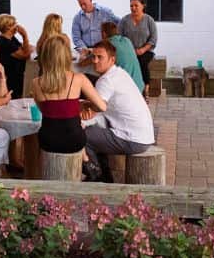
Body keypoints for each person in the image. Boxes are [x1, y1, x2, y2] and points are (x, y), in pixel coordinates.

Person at [27, 36, 110, 162]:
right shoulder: (79, 78)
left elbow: (47, 111)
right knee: (82, 128)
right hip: (74, 140)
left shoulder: (36, 83)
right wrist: (86, 105)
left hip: (48, 140)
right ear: (66, 56)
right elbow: (102, 107)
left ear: (45, 57)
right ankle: (86, 161)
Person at [82, 41, 155, 181]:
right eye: (93, 57)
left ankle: (96, 176)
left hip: (132, 139)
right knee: (96, 131)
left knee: (81, 136)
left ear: (112, 59)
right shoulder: (119, 73)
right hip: (144, 136)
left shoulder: (106, 81)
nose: (95, 61)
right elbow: (100, 111)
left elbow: (95, 110)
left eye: (100, 57)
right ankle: (105, 177)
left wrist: (80, 110)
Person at [117, 0, 160, 76]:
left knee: (141, 62)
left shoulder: (149, 20)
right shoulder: (124, 20)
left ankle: (144, 83)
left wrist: (142, 50)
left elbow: (153, 38)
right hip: (128, 51)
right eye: (131, 6)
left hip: (145, 52)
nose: (133, 8)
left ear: (143, 6)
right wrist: (128, 50)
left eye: (136, 5)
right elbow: (119, 37)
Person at [101, 21, 146, 92]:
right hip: (139, 86)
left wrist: (82, 63)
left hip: (128, 89)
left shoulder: (108, 44)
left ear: (103, 33)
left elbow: (92, 60)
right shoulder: (127, 40)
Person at [0, 14, 31, 99]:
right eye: (14, 23)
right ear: (8, 27)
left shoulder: (11, 38)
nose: (17, 25)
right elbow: (25, 55)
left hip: (16, 76)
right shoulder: (4, 42)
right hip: (11, 79)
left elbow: (24, 48)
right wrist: (24, 35)